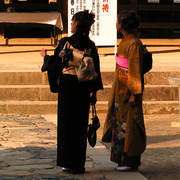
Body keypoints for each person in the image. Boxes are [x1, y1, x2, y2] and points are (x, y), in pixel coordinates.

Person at [40, 10, 103, 174]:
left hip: (67, 87)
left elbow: (56, 64)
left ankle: (67, 162)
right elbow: (96, 71)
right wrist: (94, 93)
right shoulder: (90, 46)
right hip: (83, 88)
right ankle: (78, 164)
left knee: (67, 125)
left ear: (75, 24)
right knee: (80, 125)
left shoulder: (66, 42)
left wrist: (45, 58)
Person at [102, 10, 146, 171]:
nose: (115, 23)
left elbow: (134, 70)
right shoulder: (126, 41)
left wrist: (134, 93)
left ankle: (130, 161)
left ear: (122, 24)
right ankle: (122, 159)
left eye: (117, 21)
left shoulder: (133, 43)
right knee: (120, 125)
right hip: (120, 89)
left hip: (128, 91)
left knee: (130, 126)